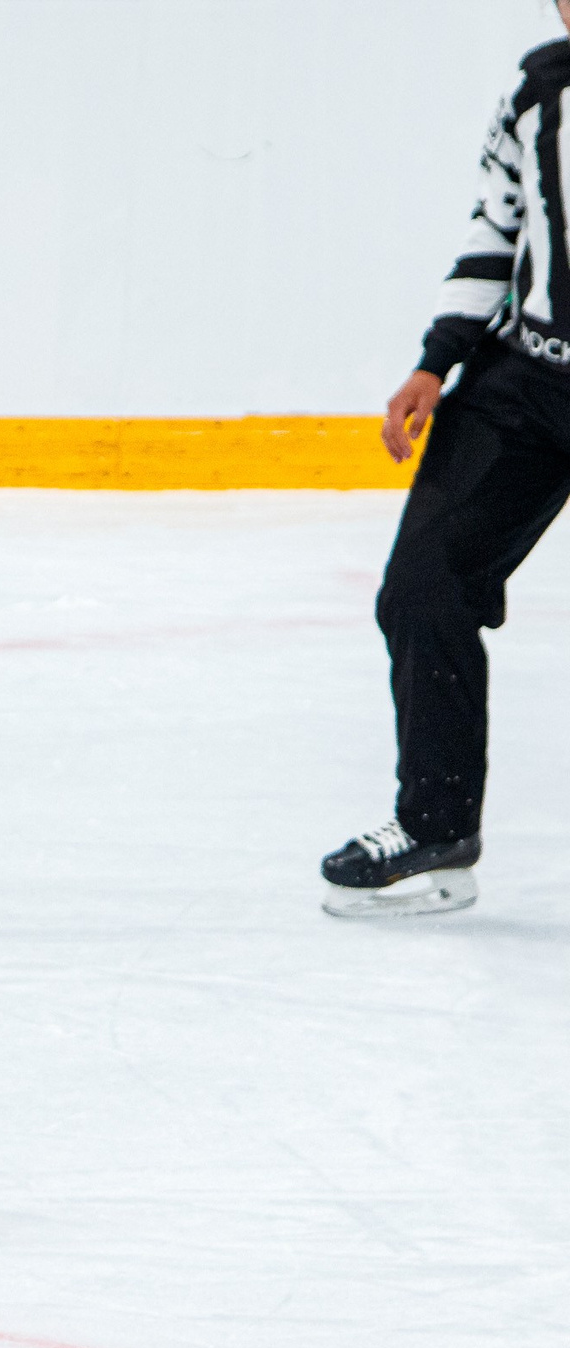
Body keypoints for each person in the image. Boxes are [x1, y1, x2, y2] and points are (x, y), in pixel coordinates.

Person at [324, 13, 570, 918]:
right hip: (527, 380)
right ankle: (435, 825)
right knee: (422, 587)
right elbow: (494, 227)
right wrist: (437, 359)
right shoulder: (536, 90)